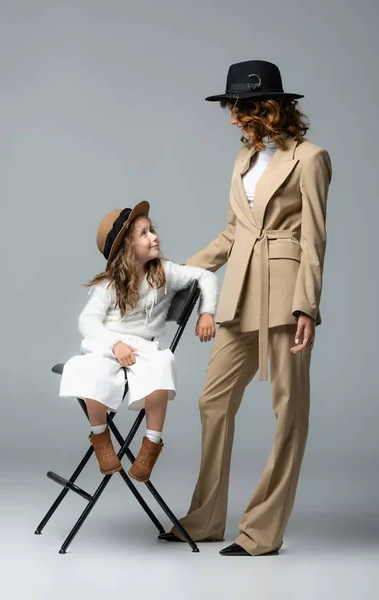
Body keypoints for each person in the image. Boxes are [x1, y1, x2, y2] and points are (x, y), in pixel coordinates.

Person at [159, 60, 332, 555]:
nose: (232, 119)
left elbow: (315, 240)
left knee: (288, 410)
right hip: (239, 293)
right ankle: (206, 518)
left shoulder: (311, 159)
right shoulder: (243, 160)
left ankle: (262, 531)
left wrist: (307, 307)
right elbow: (234, 233)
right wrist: (177, 272)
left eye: (238, 108)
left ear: (267, 108)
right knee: (213, 400)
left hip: (285, 298)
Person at [59, 201, 218, 483]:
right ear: (126, 247)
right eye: (144, 233)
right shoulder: (109, 285)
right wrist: (114, 345)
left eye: (152, 230)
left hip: (144, 347)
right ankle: (100, 437)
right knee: (90, 370)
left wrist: (206, 312)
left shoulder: (166, 272)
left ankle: (151, 444)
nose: (154, 237)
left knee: (161, 366)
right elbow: (87, 322)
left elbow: (205, 276)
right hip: (108, 345)